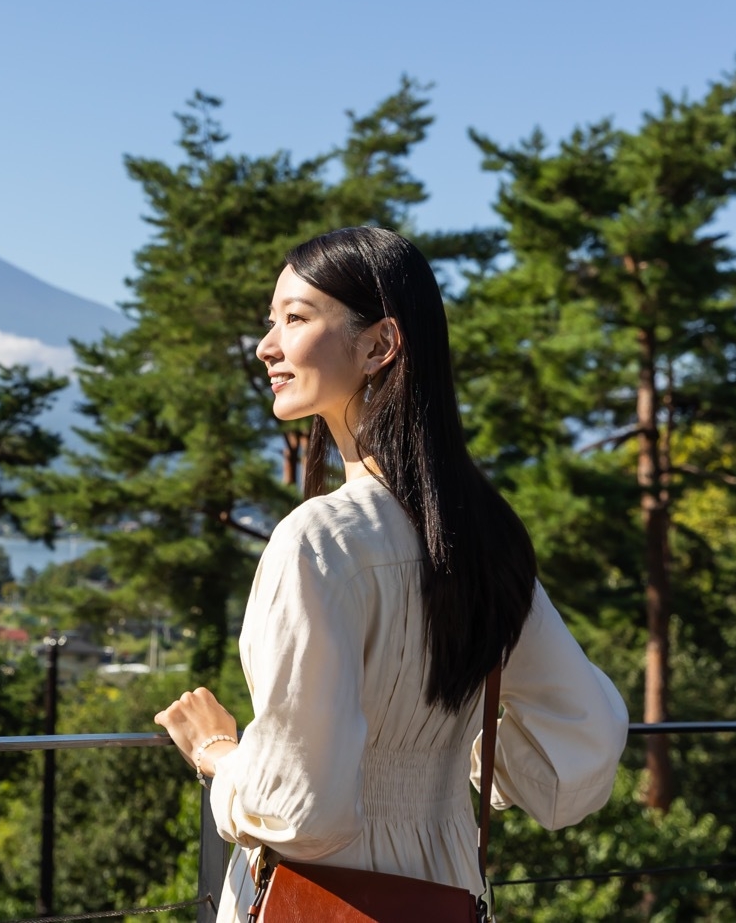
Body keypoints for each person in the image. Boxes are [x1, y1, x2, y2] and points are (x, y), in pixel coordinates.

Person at [154, 226, 627, 920]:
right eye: (270, 320)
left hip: (326, 894)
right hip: (445, 882)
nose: (266, 346)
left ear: (380, 344)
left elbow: (301, 807)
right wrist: (444, 760)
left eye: (295, 317)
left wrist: (221, 754)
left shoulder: (316, 541)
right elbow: (580, 733)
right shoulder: (482, 531)